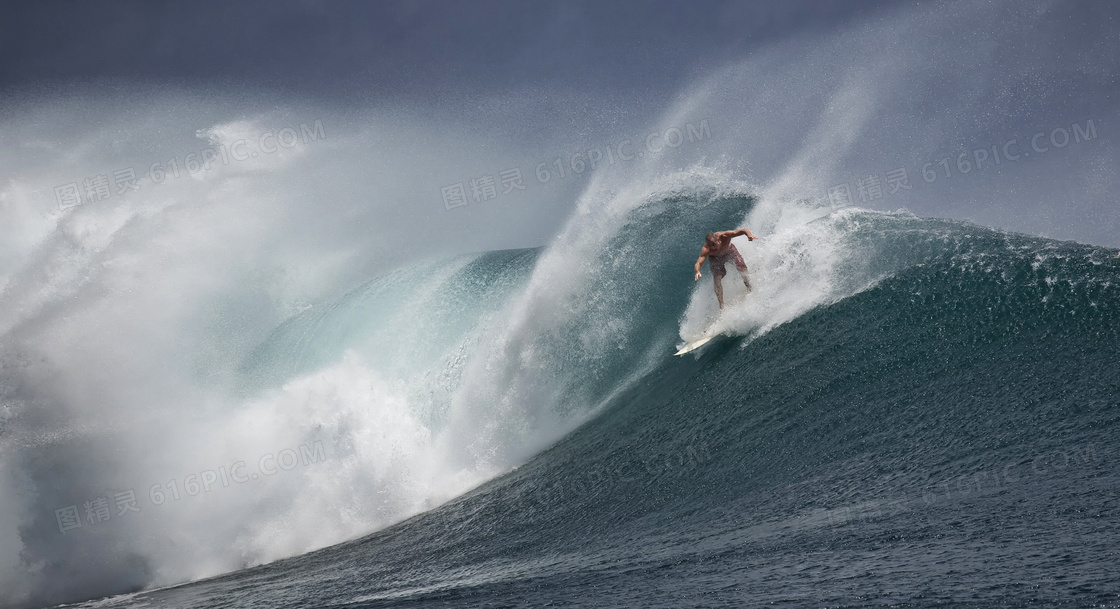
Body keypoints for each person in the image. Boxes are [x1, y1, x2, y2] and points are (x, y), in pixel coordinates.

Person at [693, 228, 757, 309]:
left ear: (718, 240)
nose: (712, 248)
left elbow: (743, 230)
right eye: (709, 246)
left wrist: (749, 236)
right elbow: (698, 262)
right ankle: (722, 305)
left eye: (713, 244)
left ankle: (749, 286)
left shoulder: (725, 236)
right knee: (717, 279)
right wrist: (697, 271)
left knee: (741, 267)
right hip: (715, 259)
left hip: (729, 251)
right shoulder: (706, 250)